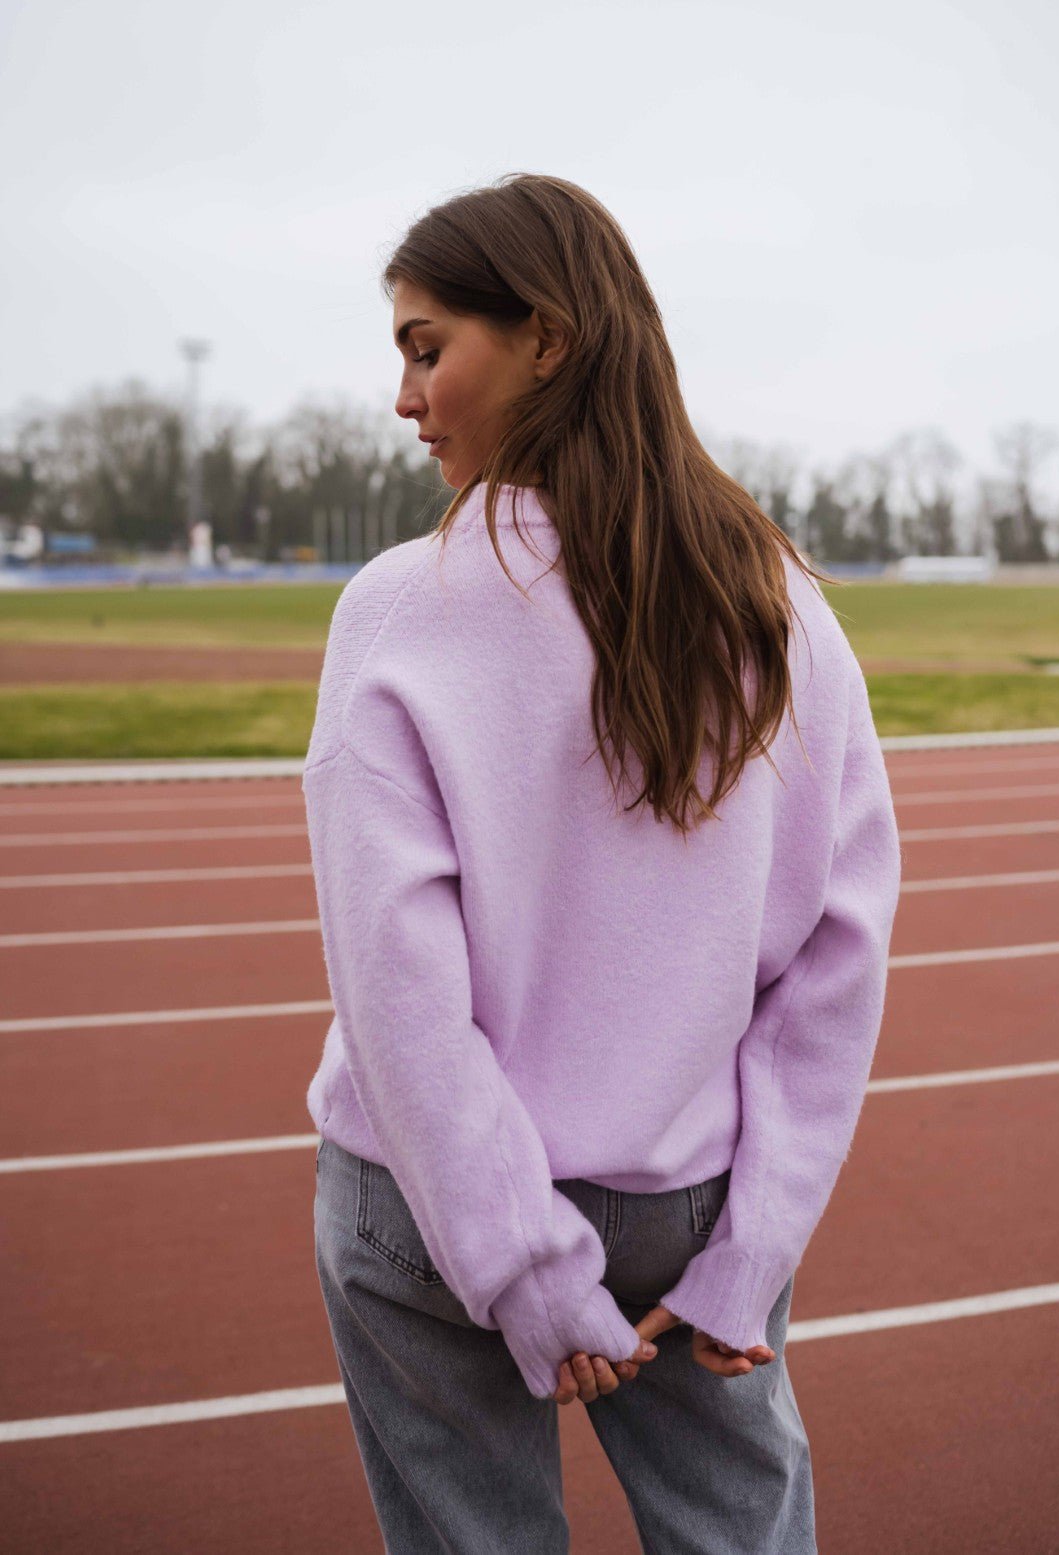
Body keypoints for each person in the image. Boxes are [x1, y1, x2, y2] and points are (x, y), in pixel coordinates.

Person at [305, 172, 902, 1554]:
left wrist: (517, 1257)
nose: (404, 399)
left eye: (425, 346)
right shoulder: (785, 606)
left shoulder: (402, 610)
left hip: (428, 1214)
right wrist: (751, 1253)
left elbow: (398, 985)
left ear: (548, 340)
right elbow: (839, 945)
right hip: (685, 1207)